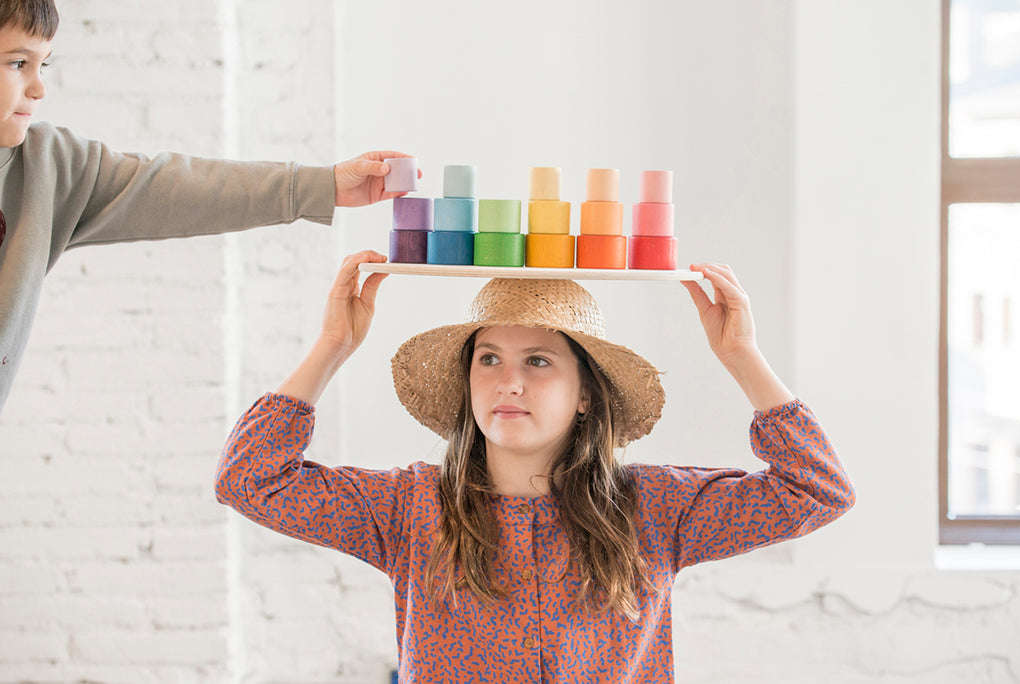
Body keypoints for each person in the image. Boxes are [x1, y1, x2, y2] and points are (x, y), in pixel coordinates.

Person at [216, 250, 856, 683]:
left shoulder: (655, 508)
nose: (507, 382)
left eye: (539, 361)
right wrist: (332, 346)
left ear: (586, 395)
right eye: (488, 358)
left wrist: (742, 356)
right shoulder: (408, 507)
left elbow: (818, 489)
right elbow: (248, 478)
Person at [0, 0, 416, 412]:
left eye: (44, 65)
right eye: (18, 63)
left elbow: (172, 187)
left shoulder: (47, 167)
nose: (39, 88)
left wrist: (324, 186)